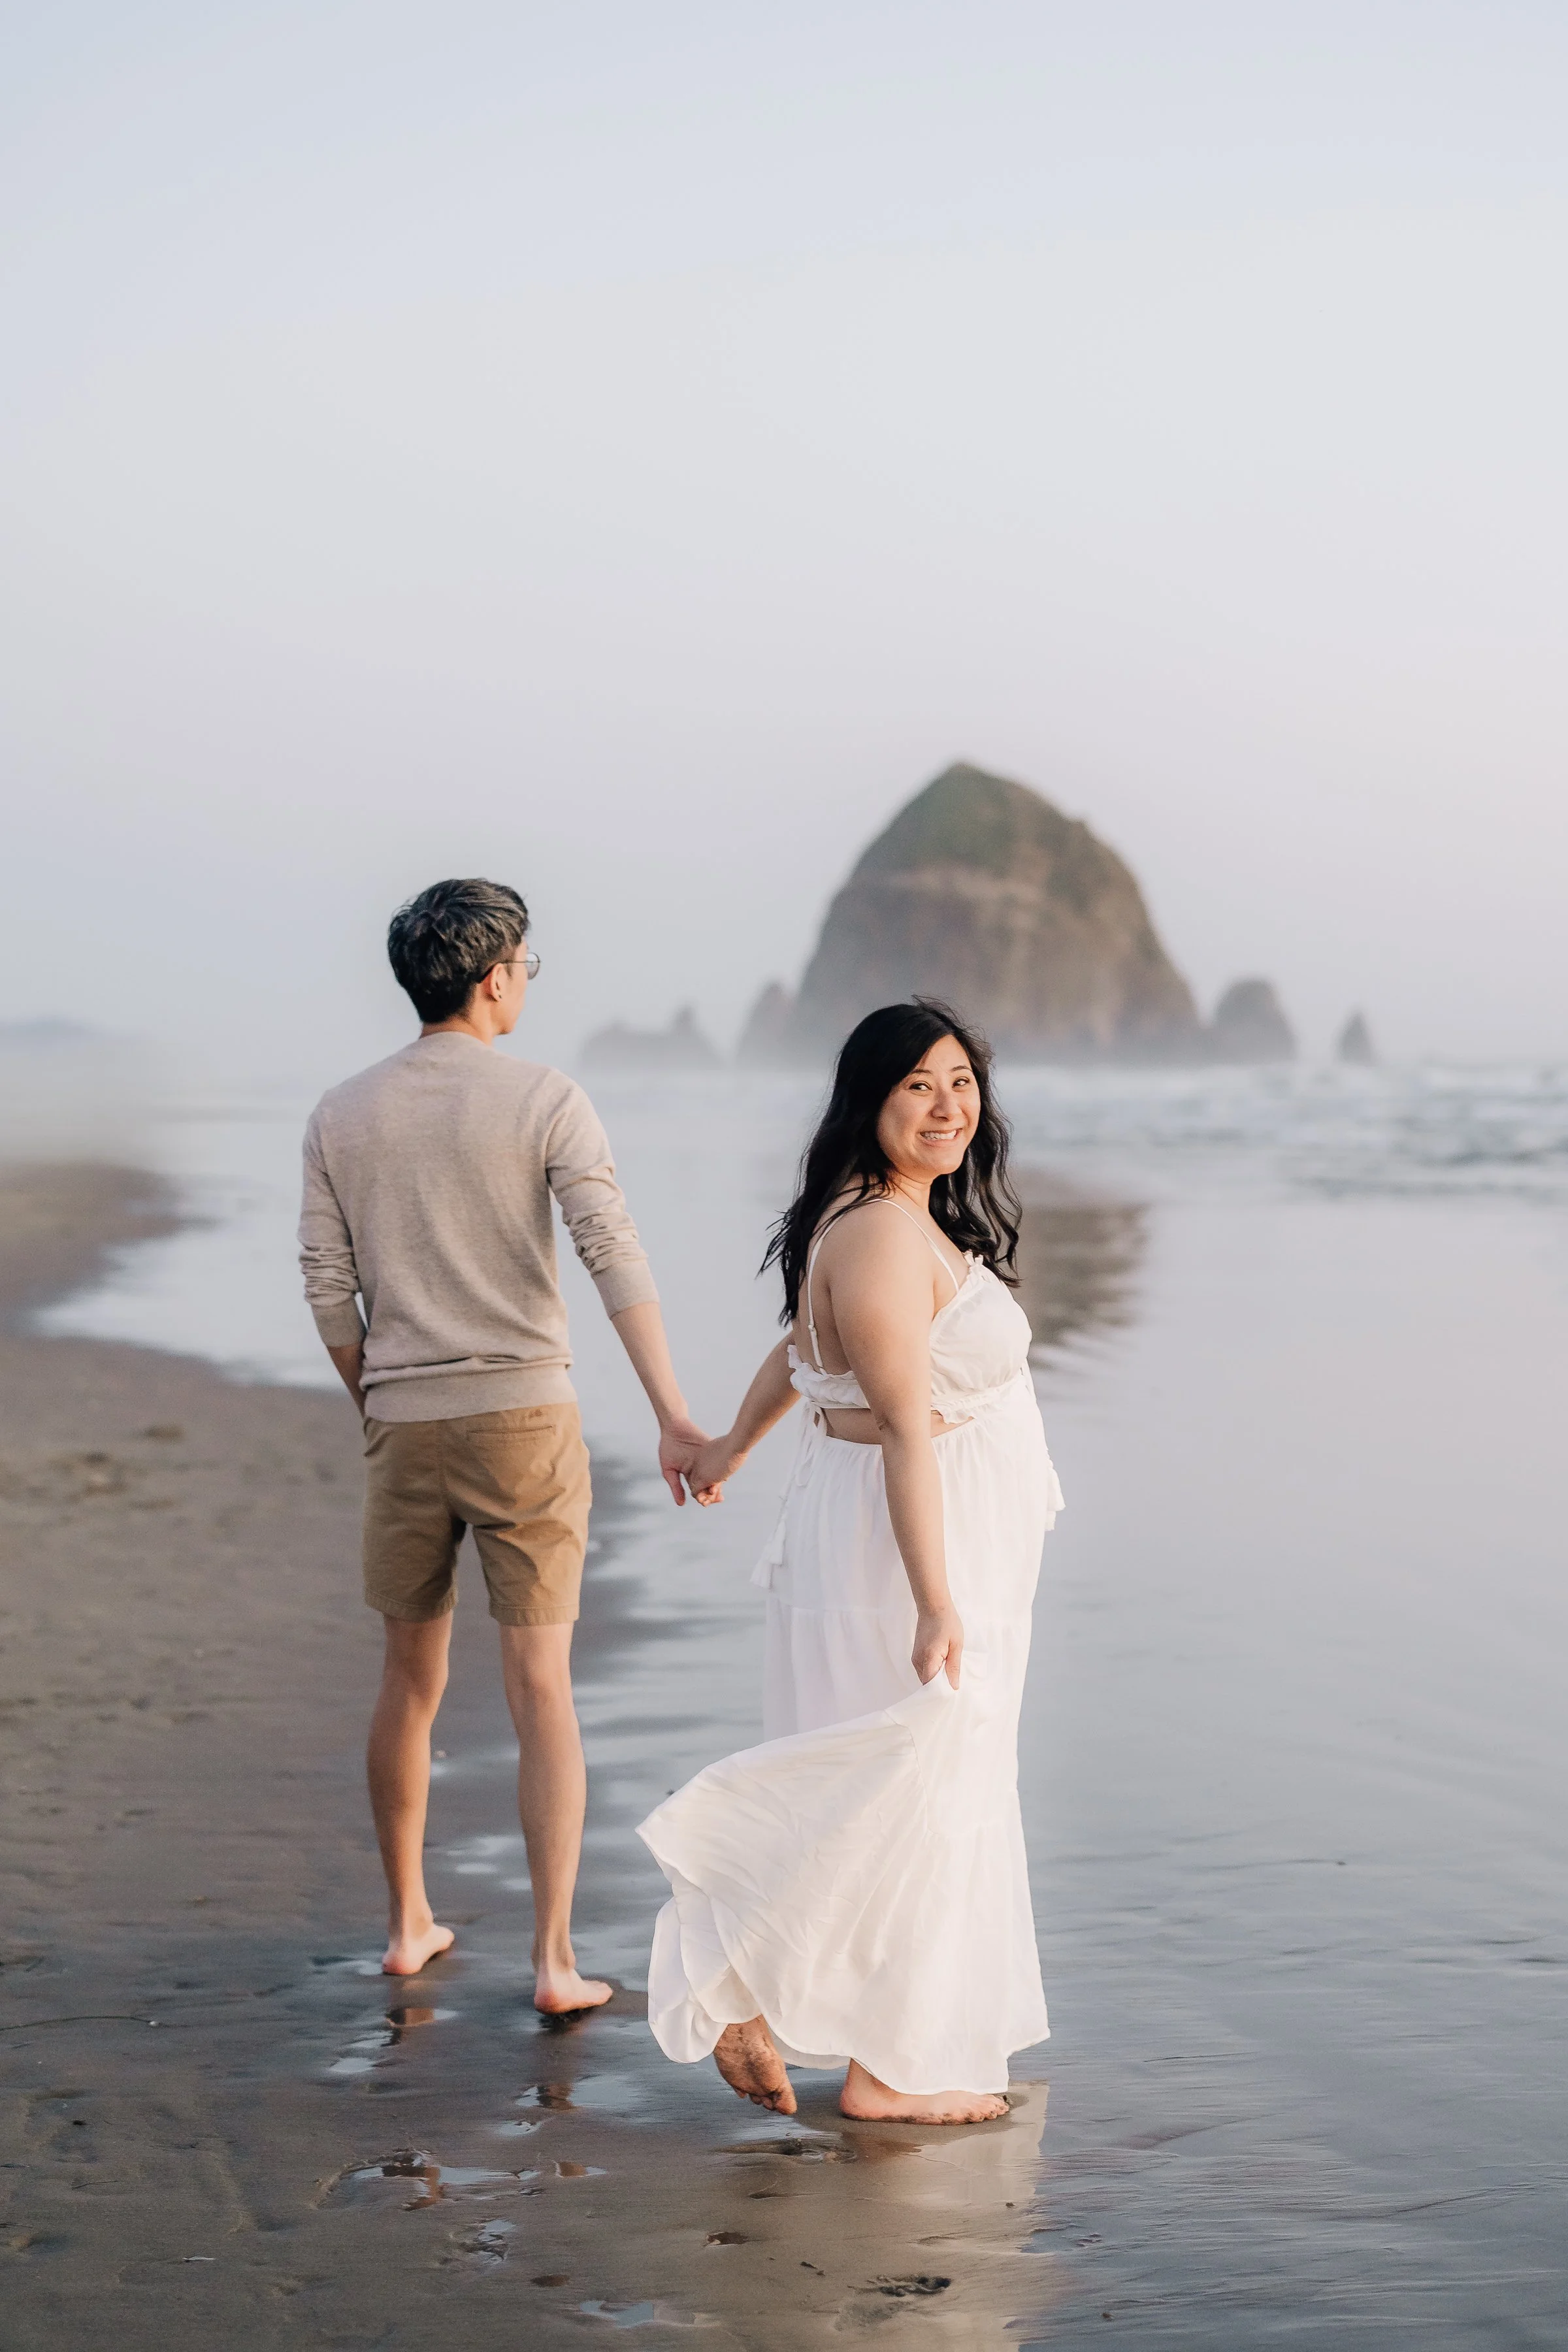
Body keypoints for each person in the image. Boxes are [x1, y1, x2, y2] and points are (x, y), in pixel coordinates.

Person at [638, 1000, 1062, 2123]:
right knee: (909, 1776)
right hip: (911, 1541)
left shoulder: (884, 1218)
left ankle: (865, 2037)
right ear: (869, 1099)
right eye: (919, 1085)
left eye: (963, 1081)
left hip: (906, 1525)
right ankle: (842, 2046)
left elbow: (800, 1353)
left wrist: (730, 1443)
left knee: (914, 1778)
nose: (947, 1106)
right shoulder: (878, 1229)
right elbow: (906, 1427)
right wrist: (936, 1600)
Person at [299, 877, 711, 2008]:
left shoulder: (342, 1112)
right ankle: (554, 1961)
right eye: (527, 965)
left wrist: (377, 1396)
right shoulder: (545, 1098)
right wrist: (674, 1412)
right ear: (494, 978)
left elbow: (329, 1291)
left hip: (404, 1416)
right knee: (541, 1686)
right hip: (526, 1415)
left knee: (409, 1679)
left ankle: (406, 1925)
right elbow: (611, 1253)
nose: (527, 981)